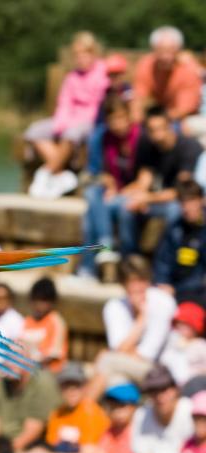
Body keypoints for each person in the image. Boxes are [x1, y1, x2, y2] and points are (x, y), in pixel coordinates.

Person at [25, 32, 109, 199]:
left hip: (90, 121)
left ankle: (45, 172)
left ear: (93, 53)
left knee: (72, 134)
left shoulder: (103, 73)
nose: (80, 58)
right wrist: (61, 124)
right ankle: (61, 175)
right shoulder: (71, 77)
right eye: (76, 55)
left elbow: (98, 105)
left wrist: (71, 125)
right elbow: (64, 103)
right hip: (67, 120)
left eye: (84, 53)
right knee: (34, 131)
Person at [115, 106, 202, 256]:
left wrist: (149, 198)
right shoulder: (146, 143)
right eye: (152, 130)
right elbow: (145, 177)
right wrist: (139, 197)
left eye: (161, 128)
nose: (157, 135)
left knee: (174, 210)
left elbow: (184, 191)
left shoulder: (188, 147)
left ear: (170, 126)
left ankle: (167, 259)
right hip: (155, 199)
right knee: (126, 207)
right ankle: (130, 259)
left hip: (177, 201)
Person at [89, 255, 176, 400]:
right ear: (124, 284)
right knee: (114, 381)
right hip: (128, 369)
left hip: (162, 371)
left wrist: (142, 316)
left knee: (106, 361)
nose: (139, 286)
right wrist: (141, 320)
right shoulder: (114, 306)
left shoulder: (163, 302)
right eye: (133, 281)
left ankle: (79, 416)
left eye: (143, 280)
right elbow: (119, 350)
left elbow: (147, 355)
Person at [81, 96, 142, 276]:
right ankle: (103, 247)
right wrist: (107, 181)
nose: (118, 124)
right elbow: (93, 172)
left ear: (129, 117)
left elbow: (147, 177)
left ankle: (88, 268)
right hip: (110, 193)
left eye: (121, 118)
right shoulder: (101, 138)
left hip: (133, 193)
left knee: (93, 215)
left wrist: (120, 191)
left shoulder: (140, 137)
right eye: (113, 120)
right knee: (92, 196)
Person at [0, 366, 61, 451]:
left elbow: (32, 432)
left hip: (31, 447)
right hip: (2, 445)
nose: (10, 363)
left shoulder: (41, 381)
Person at [131, 26, 201, 123]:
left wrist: (158, 120)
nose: (165, 57)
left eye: (170, 51)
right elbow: (138, 97)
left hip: (185, 118)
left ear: (179, 50)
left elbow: (185, 109)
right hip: (161, 113)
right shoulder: (146, 65)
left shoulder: (189, 69)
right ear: (153, 50)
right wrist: (136, 118)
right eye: (161, 51)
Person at [154, 178, 206, 303]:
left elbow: (202, 278)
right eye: (183, 203)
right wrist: (162, 283)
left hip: (197, 294)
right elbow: (163, 262)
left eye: (191, 201)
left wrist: (177, 290)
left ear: (201, 201)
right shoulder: (174, 228)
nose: (187, 208)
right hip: (171, 292)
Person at [45, 362, 110, 451]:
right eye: (66, 386)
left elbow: (88, 451)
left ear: (85, 387)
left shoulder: (91, 412)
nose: (71, 391)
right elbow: (52, 443)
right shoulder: (57, 413)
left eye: (76, 385)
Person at [20, 277, 68, 374]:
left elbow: (52, 356)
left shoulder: (56, 322)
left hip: (48, 373)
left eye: (44, 300)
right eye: (36, 300)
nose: (39, 305)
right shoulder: (27, 320)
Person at [160, 302, 206, 387]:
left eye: (185, 325)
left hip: (197, 384)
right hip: (175, 384)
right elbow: (165, 362)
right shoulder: (173, 344)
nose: (180, 328)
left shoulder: (201, 344)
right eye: (178, 325)